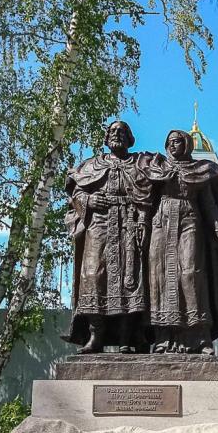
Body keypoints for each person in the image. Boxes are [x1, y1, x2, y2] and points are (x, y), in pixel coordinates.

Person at [146, 129, 218, 353]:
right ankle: (164, 337)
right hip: (161, 225)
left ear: (187, 145)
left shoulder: (200, 171)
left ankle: (200, 336)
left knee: (191, 274)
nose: (173, 146)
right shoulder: (157, 169)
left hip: (189, 220)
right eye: (170, 142)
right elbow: (140, 199)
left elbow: (210, 207)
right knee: (161, 277)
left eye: (178, 142)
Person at [63, 121, 155, 353]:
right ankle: (96, 337)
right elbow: (76, 191)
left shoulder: (138, 164)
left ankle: (127, 338)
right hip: (99, 225)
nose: (117, 135)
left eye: (122, 131)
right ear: (106, 138)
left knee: (130, 279)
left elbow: (150, 192)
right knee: (94, 276)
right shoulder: (93, 165)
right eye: (113, 131)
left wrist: (142, 221)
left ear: (130, 137)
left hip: (129, 223)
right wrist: (88, 201)